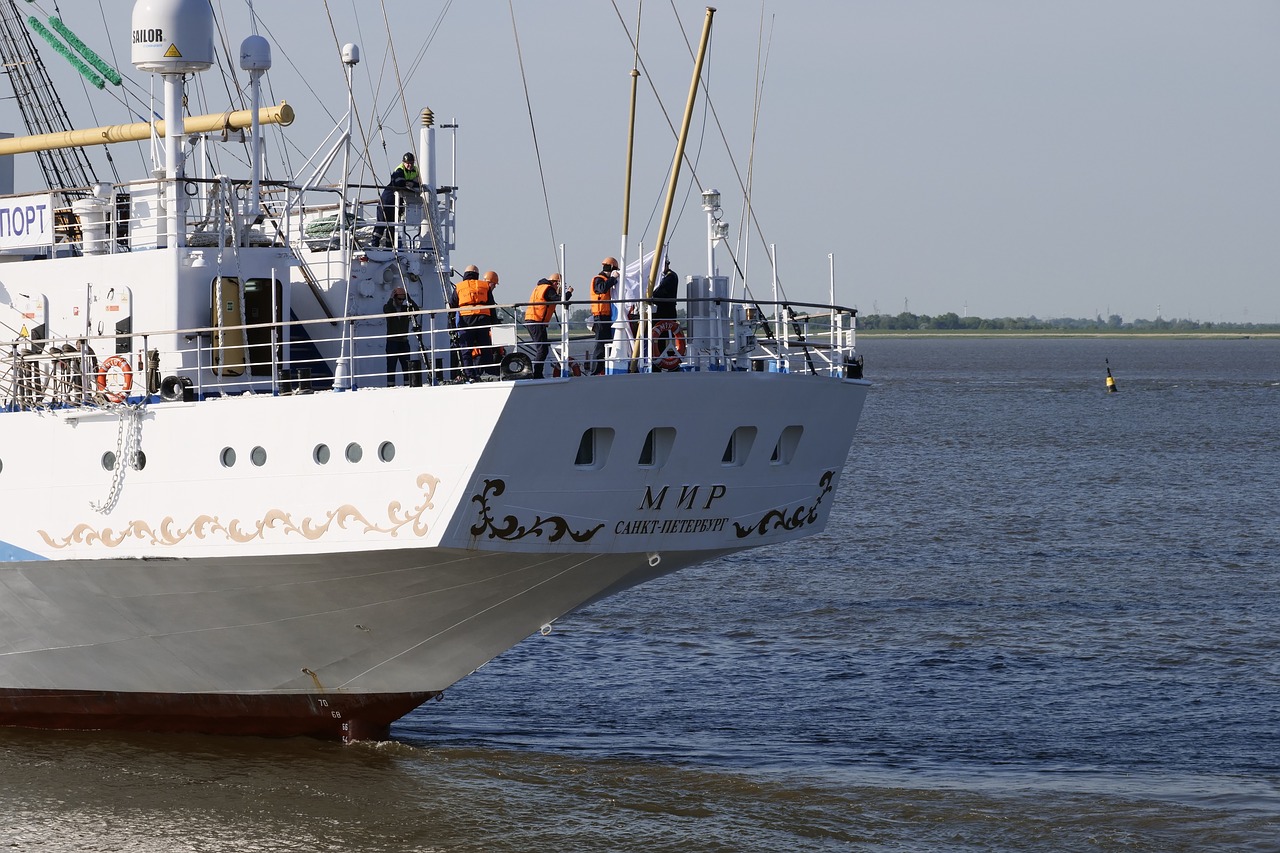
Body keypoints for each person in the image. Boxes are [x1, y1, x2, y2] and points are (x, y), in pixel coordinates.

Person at [523, 272, 571, 379]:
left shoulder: (539, 287)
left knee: (542, 348)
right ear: (555, 283)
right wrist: (569, 293)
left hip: (532, 320)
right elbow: (560, 300)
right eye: (560, 285)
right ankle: (537, 374)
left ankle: (538, 373)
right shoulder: (548, 289)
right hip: (537, 322)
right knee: (542, 349)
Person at [370, 152, 421, 248]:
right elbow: (400, 183)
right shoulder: (399, 170)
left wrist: (412, 184)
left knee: (393, 227)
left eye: (411, 163)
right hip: (387, 201)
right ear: (404, 163)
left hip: (397, 203)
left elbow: (420, 183)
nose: (409, 165)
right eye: (407, 163)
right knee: (381, 224)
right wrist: (411, 183)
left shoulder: (415, 170)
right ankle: (374, 247)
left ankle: (389, 248)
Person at [455, 265, 497, 381]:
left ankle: (469, 374)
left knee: (466, 349)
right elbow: (491, 305)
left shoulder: (459, 287)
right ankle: (489, 373)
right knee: (485, 348)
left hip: (466, 321)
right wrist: (494, 322)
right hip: (483, 320)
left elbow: (452, 304)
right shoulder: (484, 286)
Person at [383, 286, 420, 386]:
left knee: (406, 365)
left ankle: (407, 384)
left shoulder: (405, 309)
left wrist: (408, 298)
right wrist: (391, 298)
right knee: (391, 365)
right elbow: (387, 311)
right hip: (392, 341)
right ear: (394, 297)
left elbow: (416, 310)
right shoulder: (388, 307)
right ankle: (390, 385)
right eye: (399, 299)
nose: (401, 301)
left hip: (404, 341)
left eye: (403, 299)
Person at [589, 256, 619, 375]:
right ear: (611, 268)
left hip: (607, 317)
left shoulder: (604, 279)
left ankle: (603, 369)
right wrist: (612, 279)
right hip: (600, 317)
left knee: (608, 343)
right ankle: (595, 372)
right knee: (600, 345)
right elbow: (601, 289)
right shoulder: (598, 279)